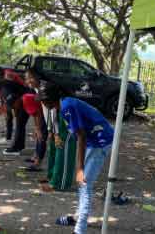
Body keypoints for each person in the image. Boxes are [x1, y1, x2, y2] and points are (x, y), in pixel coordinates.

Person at [37, 83, 113, 234]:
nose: (41, 103)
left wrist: (80, 168)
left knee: (84, 183)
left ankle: (80, 229)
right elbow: (78, 133)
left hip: (100, 141)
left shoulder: (66, 107)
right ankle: (78, 217)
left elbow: (81, 136)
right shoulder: (64, 105)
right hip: (94, 140)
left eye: (42, 100)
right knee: (82, 183)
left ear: (49, 100)